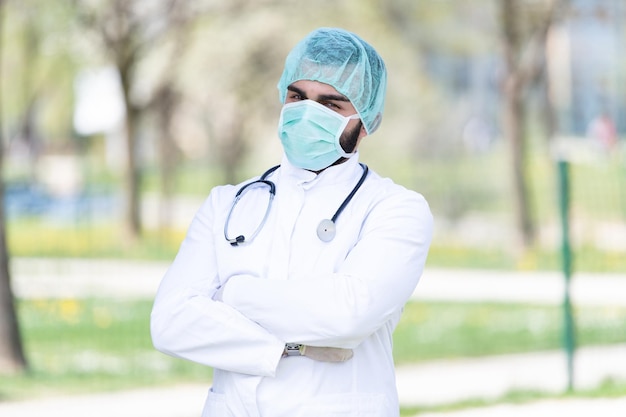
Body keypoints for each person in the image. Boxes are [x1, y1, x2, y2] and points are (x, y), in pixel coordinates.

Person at [151, 27, 433, 417]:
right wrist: (285, 349)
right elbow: (169, 322)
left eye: (331, 105)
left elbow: (349, 314)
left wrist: (232, 296)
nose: (306, 113)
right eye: (297, 97)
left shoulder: (396, 209)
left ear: (366, 121)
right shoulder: (227, 203)